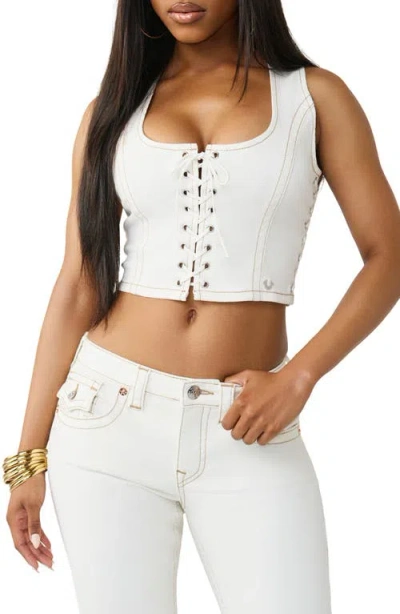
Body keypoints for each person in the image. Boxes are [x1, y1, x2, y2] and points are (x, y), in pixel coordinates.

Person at [3, 1, 400, 613]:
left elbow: (387, 256)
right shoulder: (112, 110)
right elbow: (79, 284)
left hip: (247, 423)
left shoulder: (314, 99)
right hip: (107, 420)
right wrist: (28, 458)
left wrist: (299, 377)